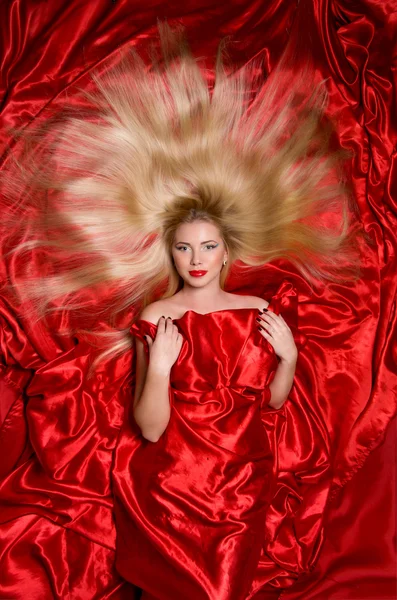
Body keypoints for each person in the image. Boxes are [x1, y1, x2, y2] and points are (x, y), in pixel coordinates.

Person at [0, 21, 362, 600]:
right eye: (184, 246)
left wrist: (289, 356)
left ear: (228, 252)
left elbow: (271, 404)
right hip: (169, 488)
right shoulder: (157, 318)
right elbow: (148, 428)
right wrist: (163, 365)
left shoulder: (257, 309)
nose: (196, 258)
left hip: (244, 484)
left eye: (208, 246)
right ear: (168, 250)